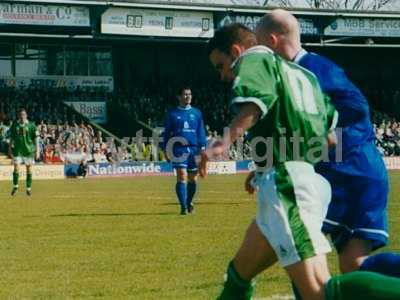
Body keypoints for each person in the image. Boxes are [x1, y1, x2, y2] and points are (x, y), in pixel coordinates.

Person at [204, 23, 400, 300]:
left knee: (320, 291)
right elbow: (329, 139)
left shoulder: (254, 59)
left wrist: (221, 143)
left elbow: (257, 101)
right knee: (239, 274)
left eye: (221, 66)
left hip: (286, 185)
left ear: (236, 50)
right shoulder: (301, 73)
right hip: (302, 179)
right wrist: (267, 163)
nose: (223, 75)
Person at [256, 9, 400, 280]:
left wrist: (326, 143)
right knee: (353, 265)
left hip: (352, 174)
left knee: (297, 242)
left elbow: (357, 109)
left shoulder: (312, 70)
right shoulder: (301, 72)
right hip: (351, 174)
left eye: (261, 46)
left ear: (273, 41)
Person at [162, 86, 207, 215]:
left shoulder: (197, 113)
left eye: (190, 94)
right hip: (178, 149)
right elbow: (166, 134)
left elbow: (201, 131)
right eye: (185, 94)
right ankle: (183, 207)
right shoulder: (172, 114)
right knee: (182, 175)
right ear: (179, 97)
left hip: (194, 149)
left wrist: (203, 147)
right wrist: (166, 149)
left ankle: (188, 202)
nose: (188, 96)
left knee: (193, 179)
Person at [9, 108, 39, 196]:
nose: (22, 116)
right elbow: (12, 138)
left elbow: (36, 139)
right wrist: (10, 148)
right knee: (16, 167)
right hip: (17, 150)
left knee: (29, 169)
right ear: (19, 115)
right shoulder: (15, 125)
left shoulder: (31, 125)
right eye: (20, 114)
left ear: (26, 115)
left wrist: (37, 150)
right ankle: (15, 186)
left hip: (28, 150)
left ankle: (28, 189)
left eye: (23, 114)